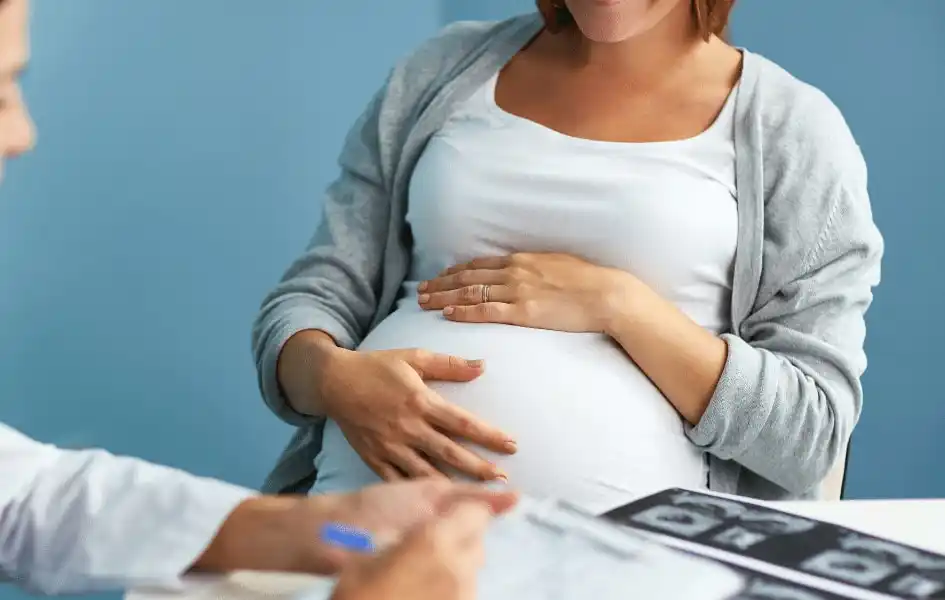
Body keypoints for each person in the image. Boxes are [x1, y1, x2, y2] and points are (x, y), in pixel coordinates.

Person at [253, 0, 883, 509]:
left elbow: (811, 435)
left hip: (631, 573)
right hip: (353, 552)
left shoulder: (794, 131)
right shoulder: (440, 72)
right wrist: (332, 378)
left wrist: (619, 305)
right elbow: (315, 296)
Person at [0, 0, 518, 597]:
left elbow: (24, 502)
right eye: (3, 90)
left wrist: (316, 529)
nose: (22, 133)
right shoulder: (445, 71)